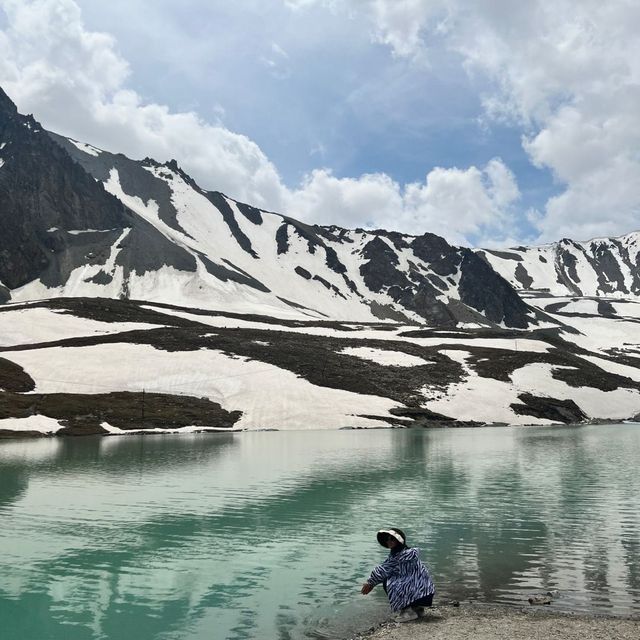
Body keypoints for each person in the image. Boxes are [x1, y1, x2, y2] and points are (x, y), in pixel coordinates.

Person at [360, 527, 435, 622]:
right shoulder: (407, 552)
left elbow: (382, 570)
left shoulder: (400, 556)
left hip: (420, 593)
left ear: (399, 541)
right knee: (402, 578)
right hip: (426, 591)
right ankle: (417, 608)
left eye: (392, 539)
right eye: (387, 539)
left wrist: (370, 583)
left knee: (388, 581)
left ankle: (407, 612)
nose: (389, 541)